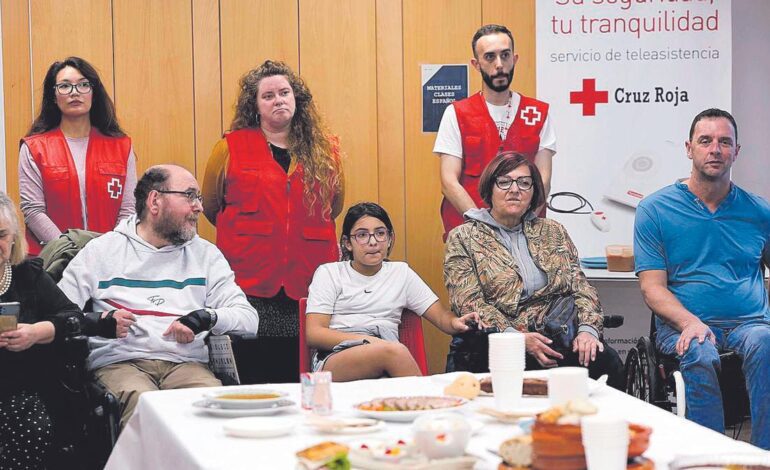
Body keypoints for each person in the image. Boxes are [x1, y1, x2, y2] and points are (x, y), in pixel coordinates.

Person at [58, 165, 259, 428]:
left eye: (198, 197)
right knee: (147, 408)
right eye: (189, 195)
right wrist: (99, 320)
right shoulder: (102, 251)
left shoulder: (205, 254)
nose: (199, 206)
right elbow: (57, 314)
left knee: (214, 410)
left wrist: (206, 317)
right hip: (121, 363)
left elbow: (249, 319)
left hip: (185, 364)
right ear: (155, 201)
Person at [634, 108, 770, 449]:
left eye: (725, 142)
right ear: (688, 148)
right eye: (706, 141)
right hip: (684, 326)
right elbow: (652, 287)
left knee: (765, 343)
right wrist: (690, 322)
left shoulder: (759, 212)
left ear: (736, 151)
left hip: (749, 324)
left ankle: (764, 455)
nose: (715, 149)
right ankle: (709, 455)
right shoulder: (655, 209)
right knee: (699, 350)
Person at [203, 60, 344, 383]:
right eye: (268, 95)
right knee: (252, 371)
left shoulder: (327, 151)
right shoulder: (229, 147)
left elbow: (333, 206)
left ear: (297, 99)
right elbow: (212, 205)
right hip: (248, 279)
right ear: (254, 105)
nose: (278, 100)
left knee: (299, 371)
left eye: (284, 92)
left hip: (307, 279)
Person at [444, 152, 624, 388]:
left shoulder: (552, 231)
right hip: (498, 340)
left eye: (524, 182)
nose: (515, 189)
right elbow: (468, 301)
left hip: (558, 333)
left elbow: (581, 287)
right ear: (490, 188)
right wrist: (516, 339)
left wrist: (588, 331)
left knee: (608, 364)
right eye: (504, 182)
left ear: (533, 192)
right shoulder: (464, 237)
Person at [305, 202, 479, 381]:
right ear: (347, 243)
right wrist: (369, 342)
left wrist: (456, 323)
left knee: (391, 357)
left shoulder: (400, 273)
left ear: (389, 239)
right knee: (393, 351)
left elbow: (441, 316)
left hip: (387, 353)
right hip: (336, 358)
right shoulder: (330, 273)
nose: (373, 242)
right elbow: (314, 333)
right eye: (362, 235)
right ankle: (426, 404)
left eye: (380, 233)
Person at [435, 24, 556, 239]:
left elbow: (543, 179)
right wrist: (485, 226)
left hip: (525, 234)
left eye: (505, 55)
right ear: (476, 64)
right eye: (489, 57)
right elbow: (448, 181)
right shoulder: (456, 113)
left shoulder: (537, 112)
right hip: (470, 233)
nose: (499, 65)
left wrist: (520, 225)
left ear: (514, 59)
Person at [19, 56, 137, 256]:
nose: (74, 92)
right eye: (65, 86)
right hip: (52, 261)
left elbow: (128, 209)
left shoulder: (121, 146)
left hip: (110, 258)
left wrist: (107, 250)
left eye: (83, 85)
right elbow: (33, 210)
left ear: (94, 92)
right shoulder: (34, 147)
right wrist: (70, 251)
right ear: (53, 96)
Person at [0, 191, 83, 469]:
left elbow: (72, 316)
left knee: (35, 427)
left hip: (22, 393)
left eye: (1, 234)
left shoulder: (27, 273)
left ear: (13, 238)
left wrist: (36, 332)